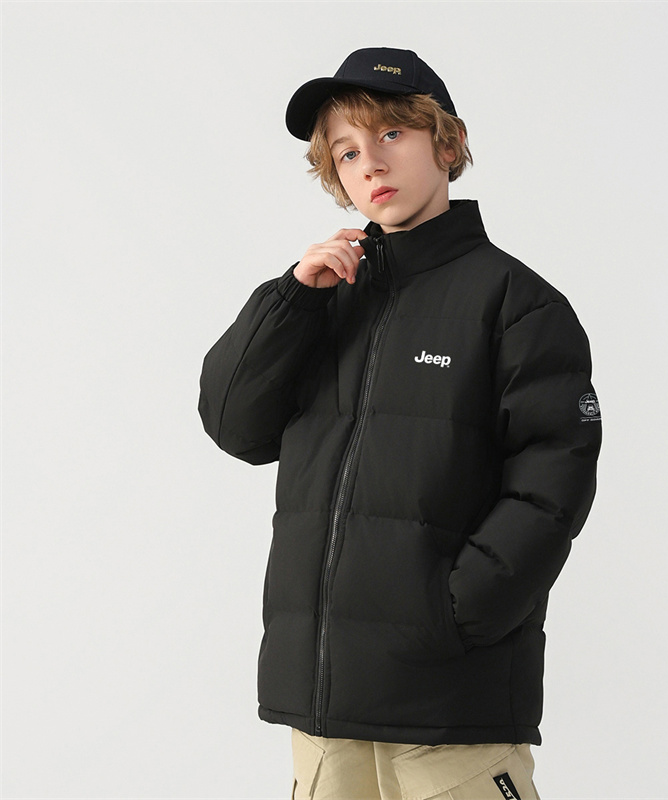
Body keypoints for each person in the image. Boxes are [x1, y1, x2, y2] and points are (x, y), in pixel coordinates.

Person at [198, 46, 602, 800]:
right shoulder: (322, 302)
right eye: (347, 152)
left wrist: (453, 616)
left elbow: (553, 482)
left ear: (447, 143)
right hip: (324, 706)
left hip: (448, 706)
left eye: (391, 134)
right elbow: (234, 425)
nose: (371, 163)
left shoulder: (518, 304)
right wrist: (293, 301)